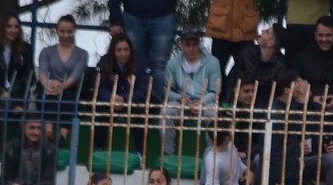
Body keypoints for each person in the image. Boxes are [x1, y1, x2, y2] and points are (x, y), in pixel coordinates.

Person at [109, 0, 193, 104]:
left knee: (159, 65)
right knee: (133, 63)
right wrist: (115, 19)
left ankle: (158, 108)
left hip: (163, 18)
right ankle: (135, 106)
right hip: (133, 17)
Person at [201, 0, 276, 100]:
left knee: (247, 72)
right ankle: (220, 103)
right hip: (221, 28)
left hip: (245, 30)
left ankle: (242, 104)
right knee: (216, 71)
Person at [162, 28, 222, 156]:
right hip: (183, 103)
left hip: (205, 103)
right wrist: (179, 98)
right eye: (187, 44)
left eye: (194, 44)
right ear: (181, 44)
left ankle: (212, 154)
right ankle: (168, 154)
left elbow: (215, 91)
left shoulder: (213, 62)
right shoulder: (173, 64)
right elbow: (167, 90)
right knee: (166, 112)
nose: (191, 48)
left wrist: (202, 102)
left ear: (200, 43)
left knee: (214, 113)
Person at [94, 33, 152, 151]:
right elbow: (100, 87)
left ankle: (140, 153)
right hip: (111, 102)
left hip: (132, 102)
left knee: (141, 112)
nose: (123, 53)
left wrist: (124, 99)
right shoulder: (104, 62)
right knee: (99, 110)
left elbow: (145, 90)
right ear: (113, 51)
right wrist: (110, 97)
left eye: (126, 49)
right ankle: (99, 149)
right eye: (119, 50)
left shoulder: (141, 62)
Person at [37, 15, 89, 145]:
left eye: (69, 32)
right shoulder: (46, 51)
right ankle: (48, 133)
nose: (66, 35)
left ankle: (63, 135)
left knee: (70, 97)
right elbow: (42, 71)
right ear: (57, 31)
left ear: (74, 31)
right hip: (50, 86)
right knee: (48, 96)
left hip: (70, 87)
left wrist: (63, 86)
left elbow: (77, 74)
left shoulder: (82, 53)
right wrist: (48, 84)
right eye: (62, 31)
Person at [229, 24, 288, 104]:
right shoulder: (247, 52)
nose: (262, 31)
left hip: (264, 106)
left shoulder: (281, 65)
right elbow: (232, 78)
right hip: (239, 102)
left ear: (270, 43)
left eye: (267, 32)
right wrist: (235, 99)